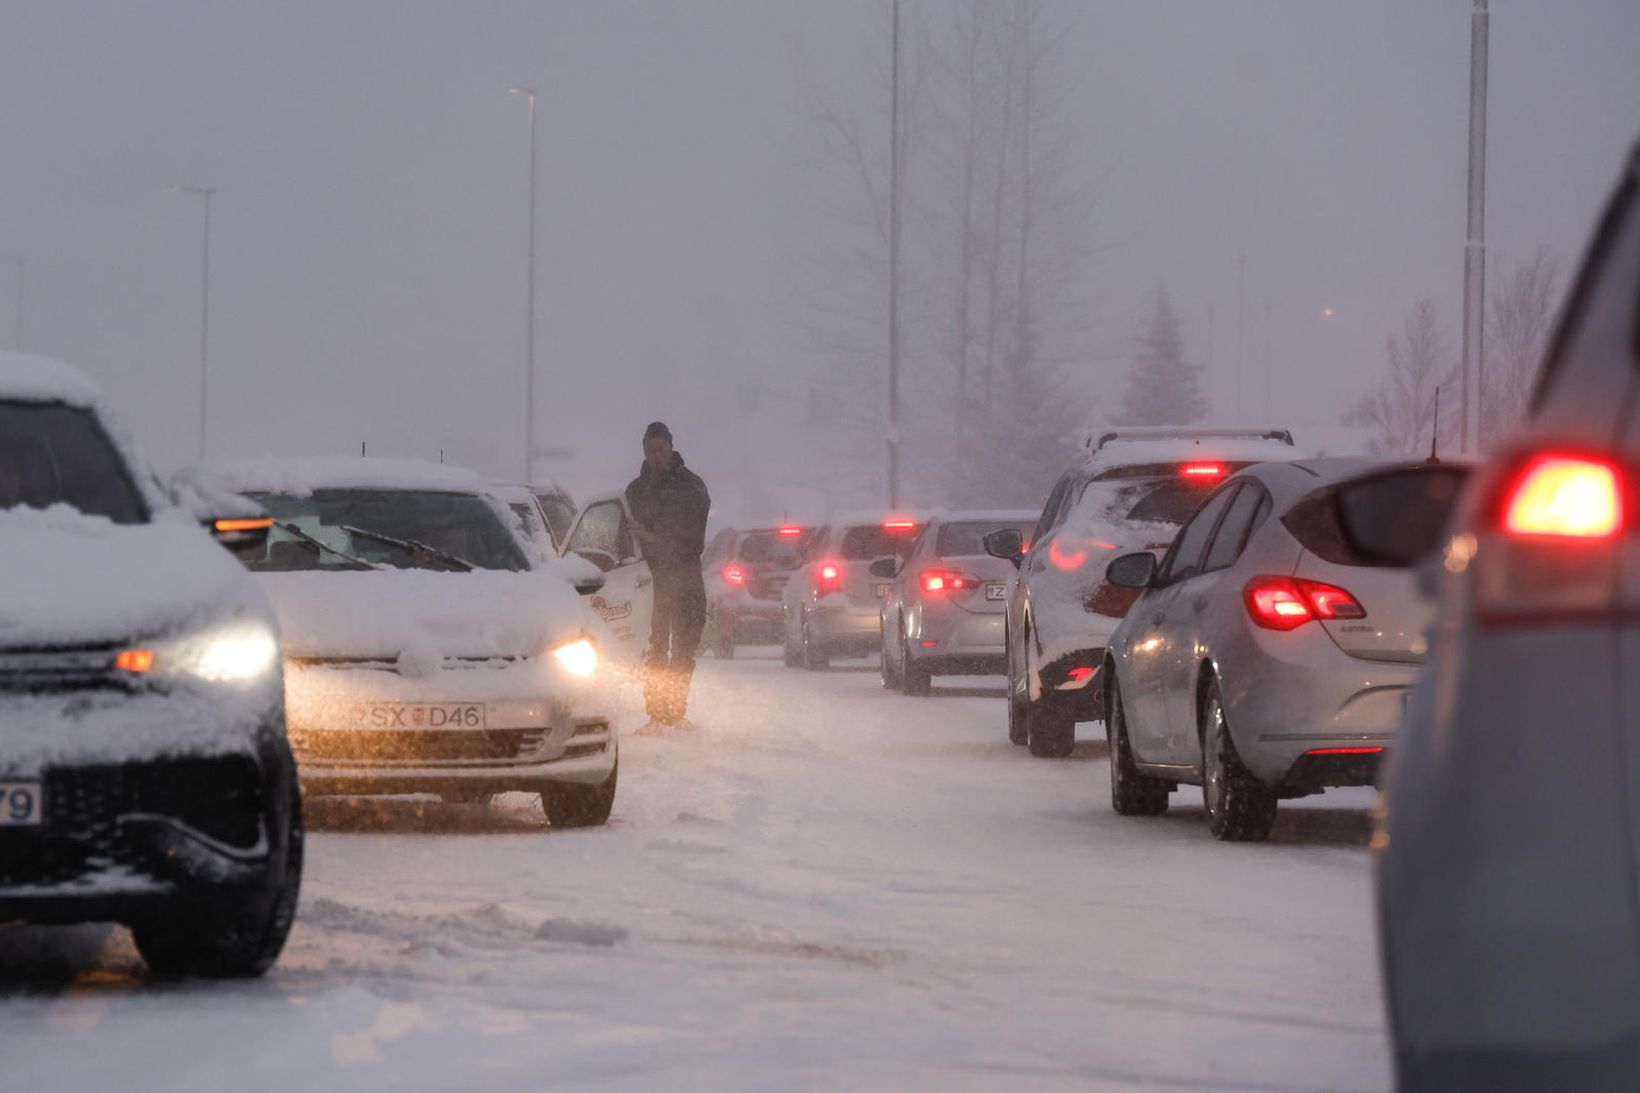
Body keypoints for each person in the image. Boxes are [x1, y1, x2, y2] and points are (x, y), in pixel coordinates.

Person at [624, 421, 711, 735]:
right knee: (656, 648)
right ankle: (656, 714)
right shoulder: (634, 491)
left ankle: (675, 711)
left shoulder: (692, 487)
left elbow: (692, 537)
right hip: (650, 583)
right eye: (649, 451)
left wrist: (652, 536)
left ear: (671, 448)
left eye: (660, 450)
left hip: (685, 578)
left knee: (684, 647)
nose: (655, 456)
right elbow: (624, 536)